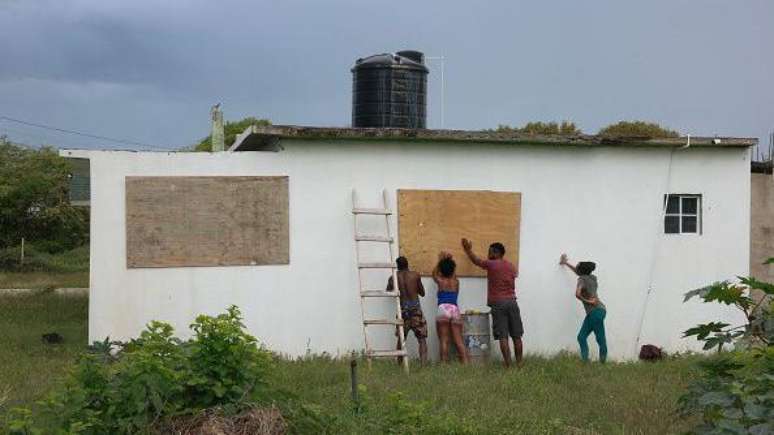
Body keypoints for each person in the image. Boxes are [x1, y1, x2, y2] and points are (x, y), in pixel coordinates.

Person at [461, 238, 522, 368]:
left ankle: (508, 366)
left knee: (503, 336)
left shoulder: (492, 264)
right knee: (517, 336)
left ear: (496, 253)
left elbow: (476, 261)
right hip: (512, 302)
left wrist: (468, 250)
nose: (488, 255)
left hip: (498, 304)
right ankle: (519, 365)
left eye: (489, 252)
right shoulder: (511, 266)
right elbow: (512, 276)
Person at [559, 253, 607, 363]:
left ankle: (601, 364)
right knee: (581, 337)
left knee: (600, 338)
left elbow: (577, 294)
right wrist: (565, 263)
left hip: (595, 312)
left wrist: (588, 301)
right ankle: (586, 361)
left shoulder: (581, 280)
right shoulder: (592, 278)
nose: (576, 268)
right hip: (598, 311)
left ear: (581, 271)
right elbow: (578, 272)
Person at [386, 256, 428, 364]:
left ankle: (399, 365)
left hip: (403, 311)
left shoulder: (393, 277)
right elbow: (422, 293)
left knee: (401, 338)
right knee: (422, 339)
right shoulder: (415, 275)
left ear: (397, 265)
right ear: (407, 264)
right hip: (415, 310)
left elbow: (388, 290)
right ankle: (423, 364)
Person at [432, 251, 468, 364]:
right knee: (459, 341)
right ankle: (466, 363)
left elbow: (434, 274)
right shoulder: (456, 282)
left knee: (444, 339)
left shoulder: (440, 281)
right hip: (455, 309)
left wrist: (440, 261)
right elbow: (452, 272)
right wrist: (449, 262)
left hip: (443, 309)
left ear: (441, 270)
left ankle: (444, 364)